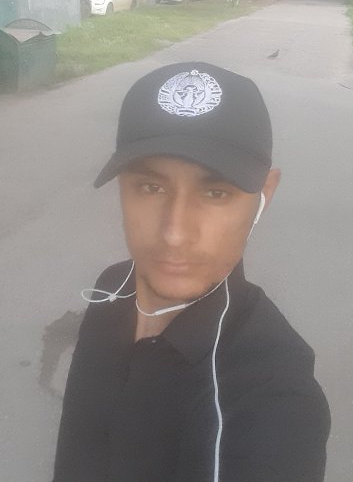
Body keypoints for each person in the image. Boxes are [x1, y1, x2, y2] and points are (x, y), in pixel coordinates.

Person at [53, 62, 330, 482]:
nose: (175, 233)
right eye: (151, 187)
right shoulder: (114, 287)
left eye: (216, 192)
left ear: (264, 195)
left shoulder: (275, 400)